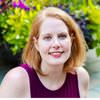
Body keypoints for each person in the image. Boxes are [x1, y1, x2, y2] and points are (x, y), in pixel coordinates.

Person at [0, 7, 89, 98]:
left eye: (62, 36)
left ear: (72, 40)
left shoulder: (80, 77)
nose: (56, 44)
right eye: (47, 38)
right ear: (36, 44)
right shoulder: (16, 80)